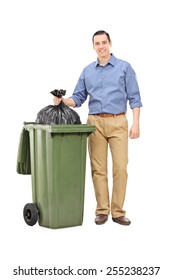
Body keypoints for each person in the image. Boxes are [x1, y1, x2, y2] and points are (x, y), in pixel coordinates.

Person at [54, 30, 142, 226]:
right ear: (93, 46)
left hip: (118, 122)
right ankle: (102, 210)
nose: (101, 46)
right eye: (97, 43)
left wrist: (136, 123)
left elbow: (135, 98)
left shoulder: (124, 68)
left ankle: (118, 212)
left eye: (104, 42)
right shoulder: (87, 71)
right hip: (94, 124)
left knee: (120, 168)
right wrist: (62, 101)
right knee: (98, 169)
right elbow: (78, 98)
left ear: (110, 43)